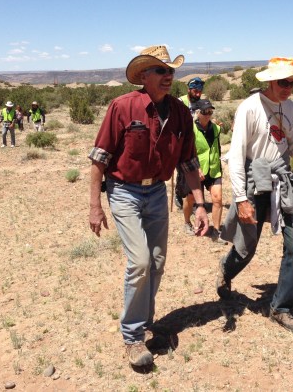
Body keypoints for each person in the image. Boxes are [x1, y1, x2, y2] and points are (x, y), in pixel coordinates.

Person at [88, 45, 210, 368]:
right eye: (161, 71)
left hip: (157, 192)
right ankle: (132, 336)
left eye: (171, 71)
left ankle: (144, 321)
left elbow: (189, 164)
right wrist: (94, 205)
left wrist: (200, 205)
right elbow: (99, 158)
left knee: (157, 261)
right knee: (140, 260)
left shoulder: (182, 113)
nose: (168, 76)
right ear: (144, 76)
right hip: (124, 191)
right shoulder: (123, 107)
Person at [215, 57, 293, 334]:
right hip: (254, 180)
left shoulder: (290, 108)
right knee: (246, 248)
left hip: (283, 181)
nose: (288, 87)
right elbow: (237, 156)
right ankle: (226, 270)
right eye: (283, 82)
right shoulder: (249, 108)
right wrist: (241, 199)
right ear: (269, 81)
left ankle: (280, 308)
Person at [183, 99, 225, 243]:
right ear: (198, 113)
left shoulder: (216, 129)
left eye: (210, 112)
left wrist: (220, 162)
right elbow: (188, 151)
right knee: (191, 198)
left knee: (217, 199)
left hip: (214, 169)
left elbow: (217, 148)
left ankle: (216, 231)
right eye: (205, 112)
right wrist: (197, 168)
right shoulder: (191, 129)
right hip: (196, 170)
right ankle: (187, 222)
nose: (208, 115)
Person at [175, 77, 206, 208]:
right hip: (182, 144)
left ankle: (193, 201)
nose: (198, 94)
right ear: (189, 89)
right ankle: (179, 193)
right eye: (195, 91)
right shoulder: (180, 102)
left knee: (194, 172)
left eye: (200, 91)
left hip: (197, 143)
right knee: (183, 173)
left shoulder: (200, 103)